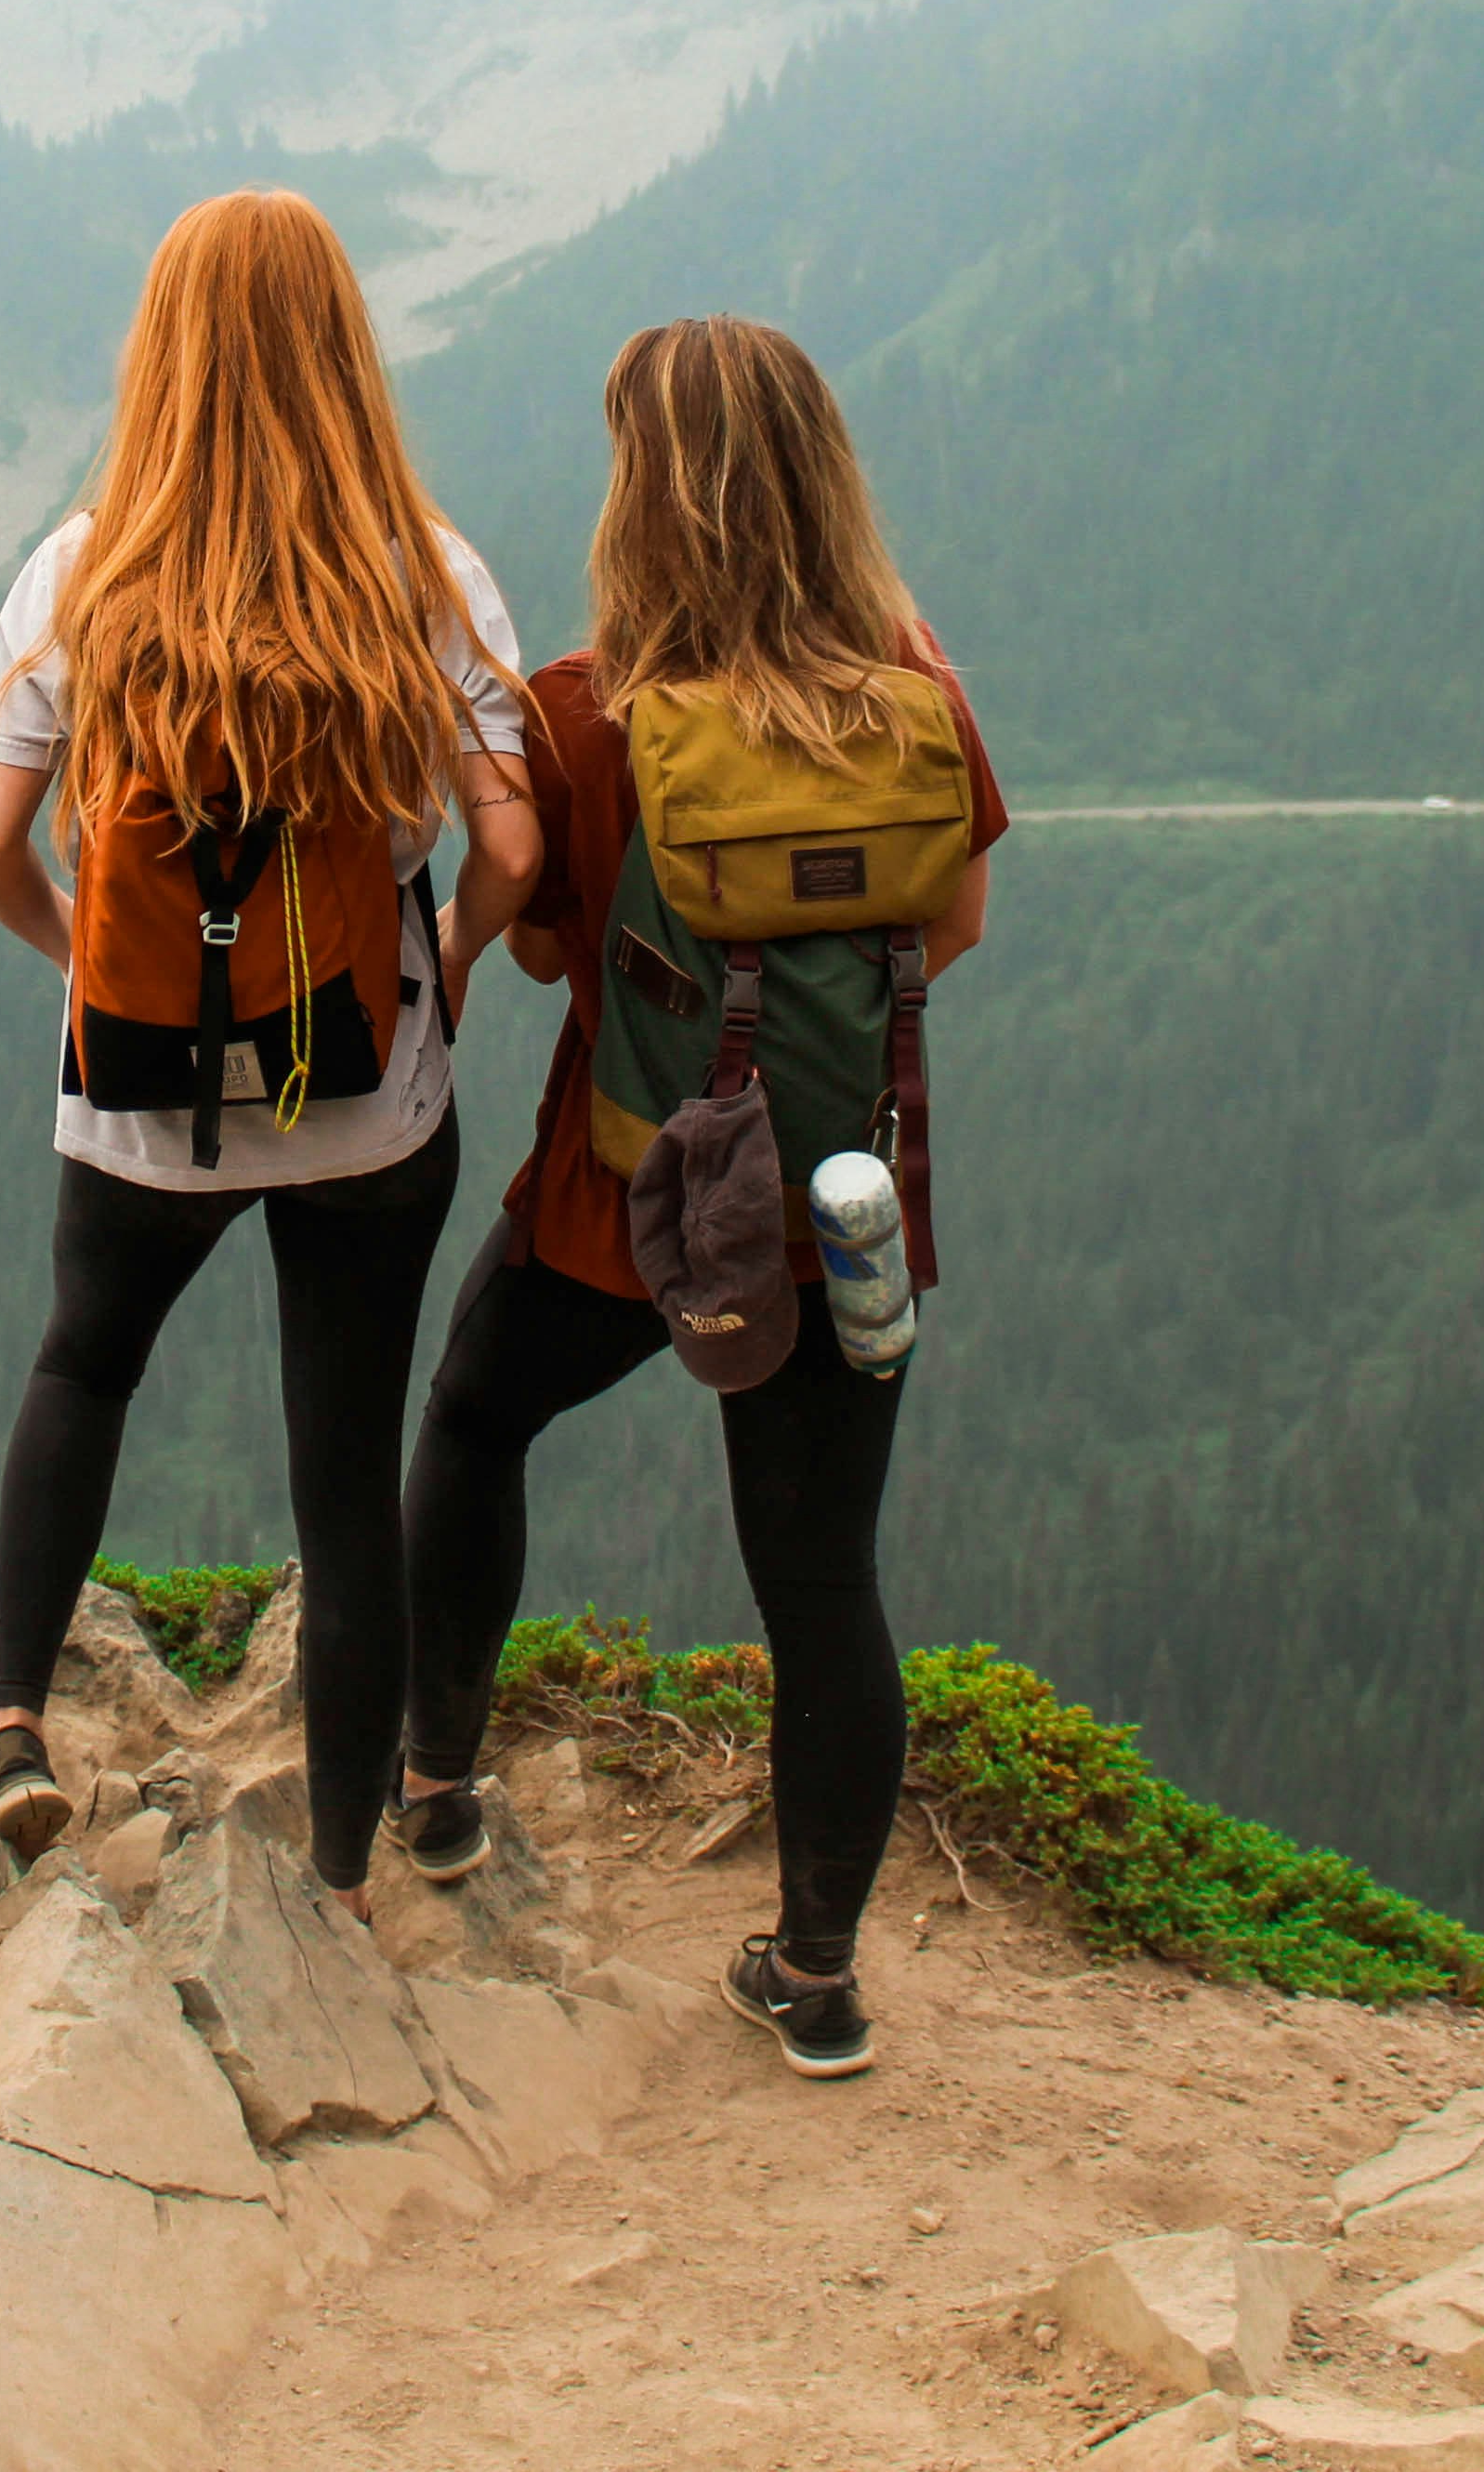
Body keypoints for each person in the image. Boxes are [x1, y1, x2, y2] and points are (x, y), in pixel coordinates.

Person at [393, 313, 1005, 2077]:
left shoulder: (591, 714)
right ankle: (817, 1976)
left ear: (641, 502)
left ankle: (437, 1787)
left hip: (626, 1202)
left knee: (474, 1414)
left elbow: (542, 954)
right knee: (823, 1579)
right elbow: (949, 926)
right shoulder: (916, 689)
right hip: (837, 1213)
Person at [0, 188, 541, 1904]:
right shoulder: (420, 575)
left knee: (83, 1366)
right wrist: (449, 953)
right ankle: (344, 1882)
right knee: (345, 1487)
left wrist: (91, 973)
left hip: (136, 1102)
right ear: (344, 352)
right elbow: (505, 847)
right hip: (365, 1104)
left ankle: (7, 1726)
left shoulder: (81, 573)